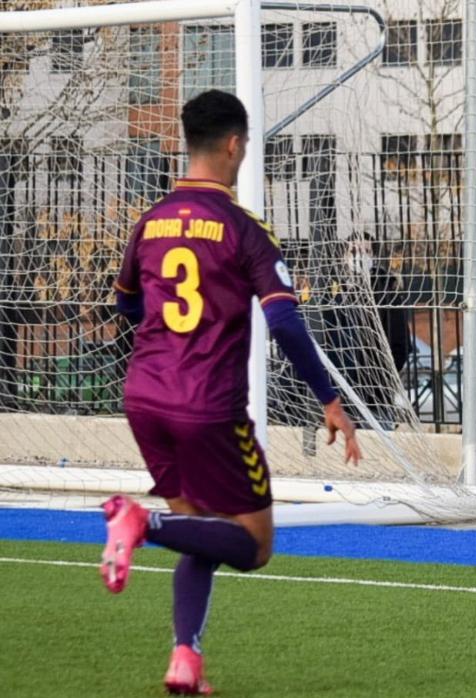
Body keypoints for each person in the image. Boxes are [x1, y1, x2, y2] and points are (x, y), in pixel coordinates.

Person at [104, 90, 362, 694]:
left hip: (145, 396)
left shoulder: (150, 220)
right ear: (234, 144)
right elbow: (287, 322)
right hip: (207, 406)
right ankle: (142, 524)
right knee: (253, 543)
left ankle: (184, 659)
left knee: (205, 526)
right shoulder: (244, 229)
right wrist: (328, 398)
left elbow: (124, 305)